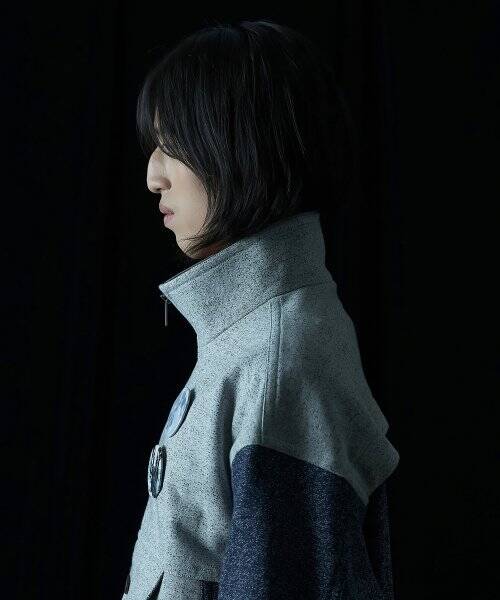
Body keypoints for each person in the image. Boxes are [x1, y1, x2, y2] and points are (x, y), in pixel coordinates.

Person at [123, 19, 400, 600]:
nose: (153, 176)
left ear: (244, 146)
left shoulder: (277, 361)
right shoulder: (253, 341)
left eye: (172, 143)